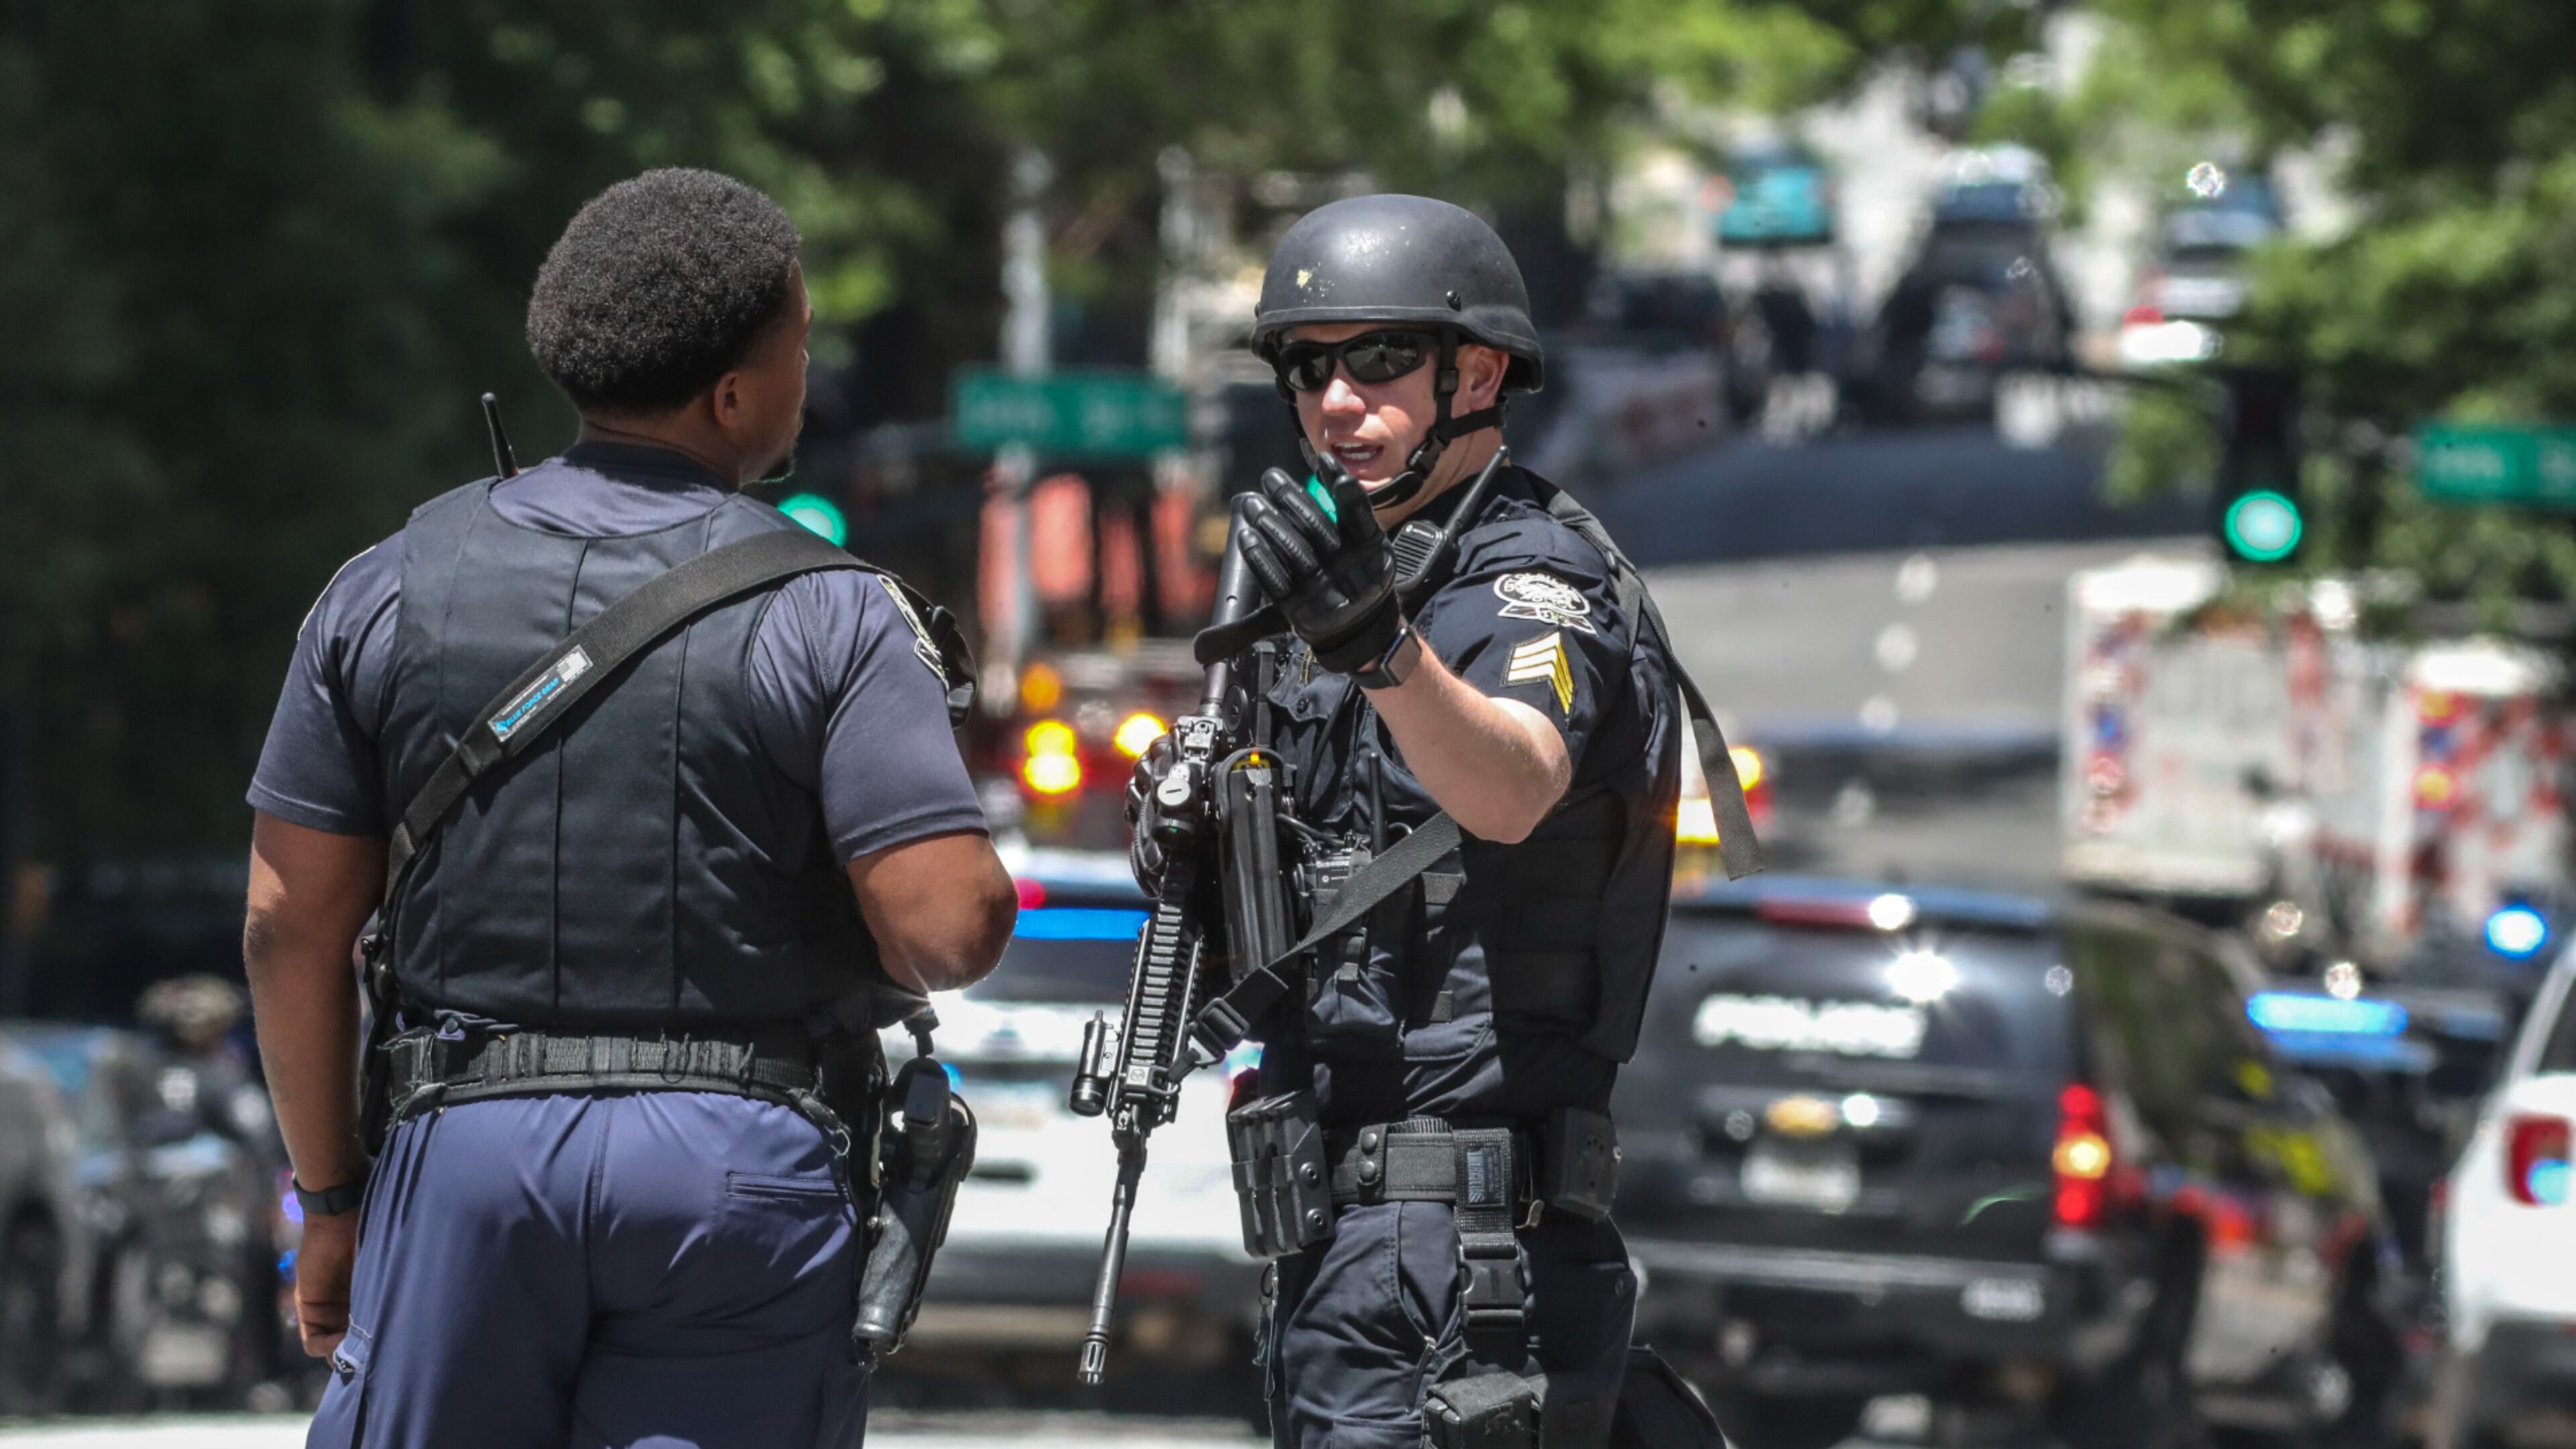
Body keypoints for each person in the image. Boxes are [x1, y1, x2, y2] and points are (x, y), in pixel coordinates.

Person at [241, 166, 1015, 1449]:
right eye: (800, 349)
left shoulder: (383, 588)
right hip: (738, 1177)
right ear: (731, 394)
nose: (807, 381)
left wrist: (332, 1201)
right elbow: (951, 930)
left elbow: (287, 928)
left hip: (467, 1161)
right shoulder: (832, 610)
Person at [1135, 194, 1751, 1449]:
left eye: (1376, 361)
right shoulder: (1326, 598)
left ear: (1478, 373)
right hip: (1340, 1237)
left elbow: (1514, 782)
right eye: (1307, 368)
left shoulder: (1534, 579)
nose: (1335, 402)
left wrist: (1376, 645)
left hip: (1467, 1249)